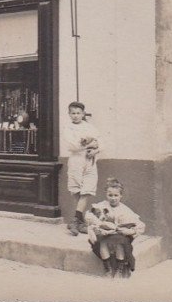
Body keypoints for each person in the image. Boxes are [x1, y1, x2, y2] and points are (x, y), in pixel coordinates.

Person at [85, 177, 145, 277]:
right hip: (105, 234)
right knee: (103, 243)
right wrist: (97, 226)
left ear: (121, 196)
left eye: (116, 195)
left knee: (119, 244)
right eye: (110, 195)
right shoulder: (101, 206)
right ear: (106, 195)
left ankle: (119, 268)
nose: (113, 198)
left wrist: (131, 231)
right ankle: (107, 268)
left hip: (120, 234)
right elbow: (90, 217)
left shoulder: (125, 210)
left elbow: (140, 225)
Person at [62, 101, 100, 235]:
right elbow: (73, 146)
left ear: (83, 114)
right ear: (69, 114)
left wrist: (96, 150)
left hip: (89, 160)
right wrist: (91, 144)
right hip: (76, 160)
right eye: (73, 113)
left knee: (87, 189)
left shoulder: (89, 127)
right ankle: (80, 221)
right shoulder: (68, 128)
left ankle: (75, 221)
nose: (76, 116)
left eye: (78, 113)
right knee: (77, 189)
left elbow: (99, 141)